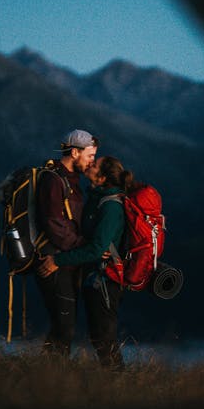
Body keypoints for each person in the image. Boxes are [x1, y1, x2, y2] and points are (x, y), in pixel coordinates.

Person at [38, 155, 138, 369]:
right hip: (95, 278)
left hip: (106, 280)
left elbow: (97, 248)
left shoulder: (111, 207)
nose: (89, 165)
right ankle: (116, 383)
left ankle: (120, 384)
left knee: (103, 338)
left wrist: (58, 260)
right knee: (98, 336)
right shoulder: (96, 198)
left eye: (94, 165)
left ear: (102, 178)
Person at [34, 129, 98, 356]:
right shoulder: (53, 180)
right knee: (64, 326)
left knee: (63, 325)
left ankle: (47, 376)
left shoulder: (70, 179)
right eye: (89, 156)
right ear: (74, 152)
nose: (92, 162)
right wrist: (83, 246)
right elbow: (54, 223)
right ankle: (51, 379)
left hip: (66, 261)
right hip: (53, 260)